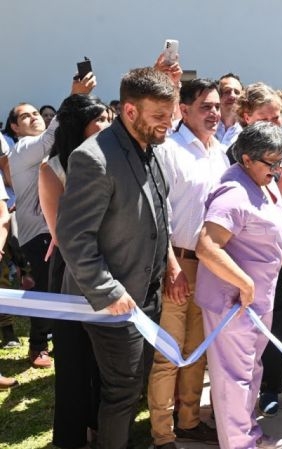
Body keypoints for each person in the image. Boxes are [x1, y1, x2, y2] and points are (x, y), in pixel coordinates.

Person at [56, 67, 176, 449]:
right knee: (122, 391)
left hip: (147, 295)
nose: (168, 123)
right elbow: (74, 238)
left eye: (170, 113)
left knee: (131, 388)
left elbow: (158, 214)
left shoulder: (149, 146)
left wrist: (170, 265)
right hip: (113, 302)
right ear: (130, 111)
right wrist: (108, 292)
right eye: (159, 115)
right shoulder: (92, 159)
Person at [195, 121, 282, 449]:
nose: (278, 169)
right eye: (272, 162)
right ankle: (239, 444)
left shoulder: (266, 183)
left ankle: (249, 434)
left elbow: (277, 231)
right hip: (233, 304)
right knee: (234, 379)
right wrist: (244, 282)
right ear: (246, 159)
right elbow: (206, 246)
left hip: (258, 300)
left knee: (251, 371)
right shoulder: (233, 193)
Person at [148, 78, 229, 449]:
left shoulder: (220, 152)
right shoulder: (169, 150)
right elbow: (158, 212)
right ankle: (162, 434)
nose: (214, 113)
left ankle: (190, 421)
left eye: (216, 107)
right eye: (205, 107)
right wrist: (171, 266)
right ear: (183, 110)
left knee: (197, 351)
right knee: (168, 355)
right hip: (178, 265)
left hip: (211, 267)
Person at [233, 81, 282, 415]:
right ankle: (270, 388)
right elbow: (245, 200)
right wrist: (280, 189)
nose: (277, 124)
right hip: (262, 246)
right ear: (247, 117)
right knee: (274, 318)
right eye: (267, 118)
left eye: (279, 116)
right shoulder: (239, 150)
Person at [7, 72, 96, 369]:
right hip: (39, 234)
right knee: (46, 290)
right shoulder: (23, 148)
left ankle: (61, 340)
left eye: (36, 113)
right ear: (14, 127)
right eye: (25, 116)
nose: (34, 117)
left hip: (58, 228)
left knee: (62, 288)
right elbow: (48, 140)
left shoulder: (52, 148)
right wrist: (75, 96)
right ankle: (37, 346)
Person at [39, 93, 110, 449]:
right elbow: (60, 233)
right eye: (100, 120)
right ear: (79, 125)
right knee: (72, 356)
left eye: (109, 119)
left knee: (105, 356)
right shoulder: (52, 169)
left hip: (113, 265)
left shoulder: (114, 160)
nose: (107, 126)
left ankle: (101, 425)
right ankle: (72, 434)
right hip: (73, 268)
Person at [216, 73, 244, 147]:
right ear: (218, 96)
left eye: (237, 92)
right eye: (227, 91)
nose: (232, 96)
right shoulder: (205, 126)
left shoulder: (246, 131)